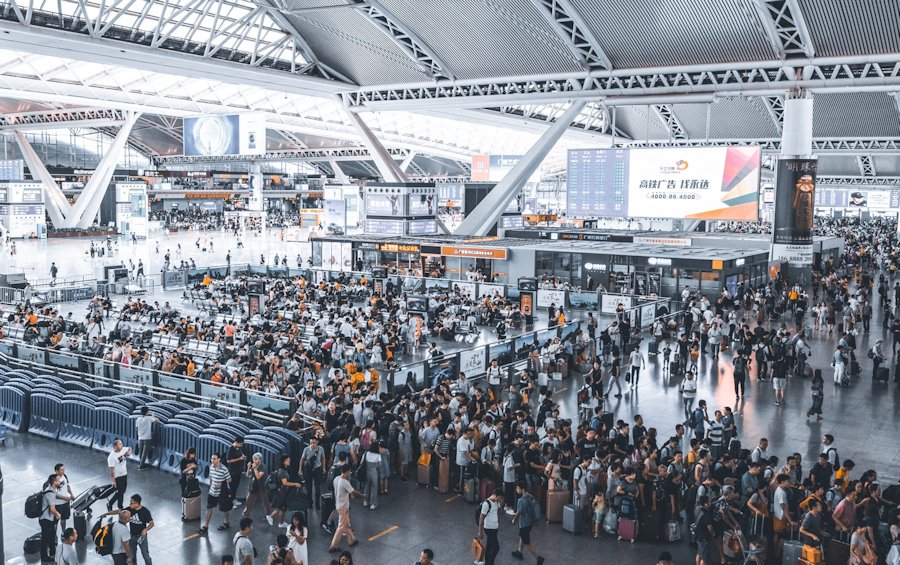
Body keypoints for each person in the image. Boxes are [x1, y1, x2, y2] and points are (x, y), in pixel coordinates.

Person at [329, 464, 363, 552]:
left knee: (347, 524)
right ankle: (333, 546)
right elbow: (354, 492)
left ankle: (352, 540)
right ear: (347, 471)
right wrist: (363, 496)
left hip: (338, 505)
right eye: (349, 471)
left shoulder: (336, 479)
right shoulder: (345, 482)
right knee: (341, 527)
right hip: (343, 507)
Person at [511, 482, 544, 565]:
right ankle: (519, 552)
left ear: (522, 489)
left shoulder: (521, 500)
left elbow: (519, 512)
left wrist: (514, 519)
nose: (516, 490)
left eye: (518, 488)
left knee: (527, 542)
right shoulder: (530, 496)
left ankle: (538, 558)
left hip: (524, 523)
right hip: (530, 522)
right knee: (522, 537)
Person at [199, 452, 232, 535]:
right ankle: (206, 526)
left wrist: (221, 484)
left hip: (221, 494)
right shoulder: (211, 467)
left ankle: (226, 522)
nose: (212, 460)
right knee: (209, 508)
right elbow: (211, 477)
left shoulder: (224, 469)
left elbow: (229, 480)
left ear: (219, 459)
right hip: (212, 493)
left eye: (214, 459)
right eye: (211, 458)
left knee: (224, 509)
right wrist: (210, 486)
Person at [476, 488, 504, 565]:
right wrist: (480, 531)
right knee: (496, 547)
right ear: (495, 495)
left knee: (489, 545)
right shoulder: (486, 504)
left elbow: (500, 508)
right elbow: (481, 518)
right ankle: (490, 563)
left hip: (495, 528)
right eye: (499, 497)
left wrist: (501, 502)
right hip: (489, 529)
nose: (500, 499)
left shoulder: (496, 501)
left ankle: (487, 561)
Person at [39, 473, 62, 563]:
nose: (60, 481)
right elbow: (52, 509)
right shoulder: (50, 493)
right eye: (58, 480)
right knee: (45, 539)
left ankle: (53, 552)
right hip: (46, 519)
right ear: (54, 482)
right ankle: (44, 557)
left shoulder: (51, 490)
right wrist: (58, 514)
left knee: (52, 536)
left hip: (48, 519)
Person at [243, 453, 272, 518]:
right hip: (254, 486)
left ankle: (268, 514)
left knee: (265, 501)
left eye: (256, 459)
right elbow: (247, 475)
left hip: (262, 487)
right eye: (254, 459)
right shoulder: (254, 466)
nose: (254, 461)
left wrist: (255, 468)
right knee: (248, 500)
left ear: (260, 460)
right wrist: (248, 467)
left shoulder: (263, 467)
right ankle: (246, 514)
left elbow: (258, 477)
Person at [300, 437, 325, 510]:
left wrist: (323, 468)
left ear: (317, 442)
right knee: (308, 487)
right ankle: (310, 503)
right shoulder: (306, 449)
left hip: (317, 469)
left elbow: (323, 458)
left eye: (314, 443)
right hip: (308, 470)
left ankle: (317, 504)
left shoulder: (321, 449)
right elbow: (302, 459)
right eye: (311, 443)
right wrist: (300, 469)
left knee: (317, 488)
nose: (312, 445)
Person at [107, 439, 132, 511]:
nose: (122, 445)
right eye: (120, 444)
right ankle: (120, 506)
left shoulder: (123, 450)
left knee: (123, 491)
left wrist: (128, 453)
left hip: (124, 474)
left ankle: (110, 503)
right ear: (115, 446)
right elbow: (112, 470)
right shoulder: (111, 457)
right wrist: (113, 481)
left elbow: (130, 448)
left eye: (121, 443)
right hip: (118, 476)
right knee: (121, 492)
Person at [128, 494, 154, 565]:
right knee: (132, 555)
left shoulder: (145, 511)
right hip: (132, 536)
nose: (130, 504)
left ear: (137, 504)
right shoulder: (130, 509)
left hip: (142, 537)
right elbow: (119, 511)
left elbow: (151, 523)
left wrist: (145, 529)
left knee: (146, 555)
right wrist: (107, 513)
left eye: (131, 503)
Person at [53, 463, 74, 533]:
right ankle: (54, 535)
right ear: (56, 471)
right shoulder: (53, 480)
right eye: (61, 470)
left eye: (63, 470)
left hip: (65, 503)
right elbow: (55, 495)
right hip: (57, 504)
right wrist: (66, 498)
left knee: (63, 518)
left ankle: (63, 532)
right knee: (55, 521)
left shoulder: (64, 476)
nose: (63, 471)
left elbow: (67, 486)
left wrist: (71, 494)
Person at [694, 495, 716, 565]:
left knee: (699, 554)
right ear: (706, 504)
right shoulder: (707, 514)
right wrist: (713, 533)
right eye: (709, 501)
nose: (710, 503)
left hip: (698, 536)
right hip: (704, 538)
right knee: (704, 559)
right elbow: (709, 527)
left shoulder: (697, 509)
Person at [226, 438, 247, 506]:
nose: (241, 445)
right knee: (232, 487)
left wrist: (243, 457)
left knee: (236, 486)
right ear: (236, 442)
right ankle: (230, 501)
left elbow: (241, 454)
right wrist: (239, 459)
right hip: (233, 471)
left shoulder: (239, 448)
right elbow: (228, 461)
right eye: (240, 444)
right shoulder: (230, 450)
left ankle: (234, 499)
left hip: (238, 471)